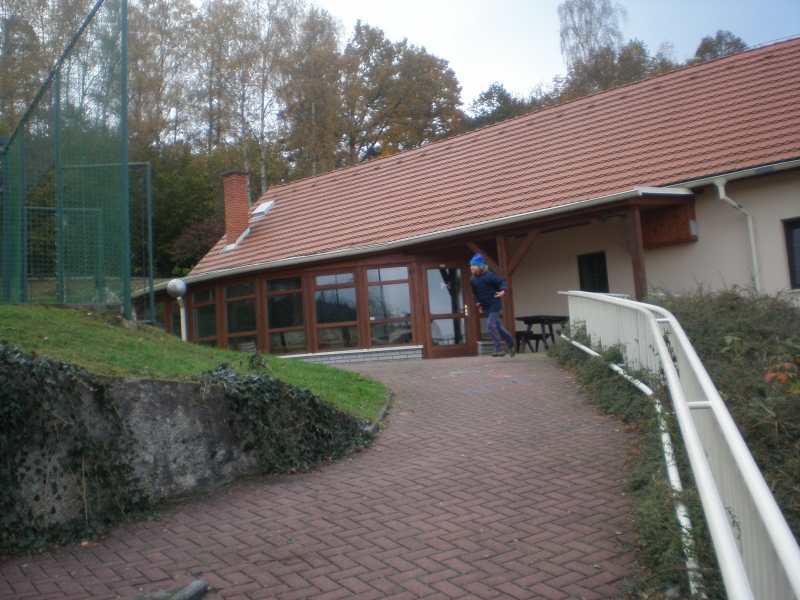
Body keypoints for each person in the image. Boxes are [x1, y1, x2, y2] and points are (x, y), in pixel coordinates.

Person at [469, 253, 516, 357]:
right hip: (486, 306)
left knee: (491, 326)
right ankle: (511, 343)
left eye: (474, 265)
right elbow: (475, 294)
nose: (471, 267)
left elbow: (501, 282)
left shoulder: (489, 276)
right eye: (471, 265)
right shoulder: (472, 280)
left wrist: (503, 291)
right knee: (498, 327)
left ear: (480, 266)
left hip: (494, 304)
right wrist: (479, 305)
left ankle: (499, 349)